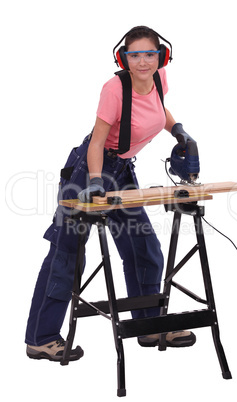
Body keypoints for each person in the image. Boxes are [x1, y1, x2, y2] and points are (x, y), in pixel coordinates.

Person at [25, 26, 196, 362]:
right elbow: (98, 142)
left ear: (162, 56)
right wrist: (93, 182)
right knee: (68, 255)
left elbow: (158, 109)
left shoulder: (160, 79)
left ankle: (148, 326)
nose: (143, 61)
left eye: (150, 54)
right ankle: (41, 338)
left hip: (122, 170)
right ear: (124, 57)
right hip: (88, 170)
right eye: (135, 55)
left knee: (144, 247)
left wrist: (176, 129)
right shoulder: (114, 88)